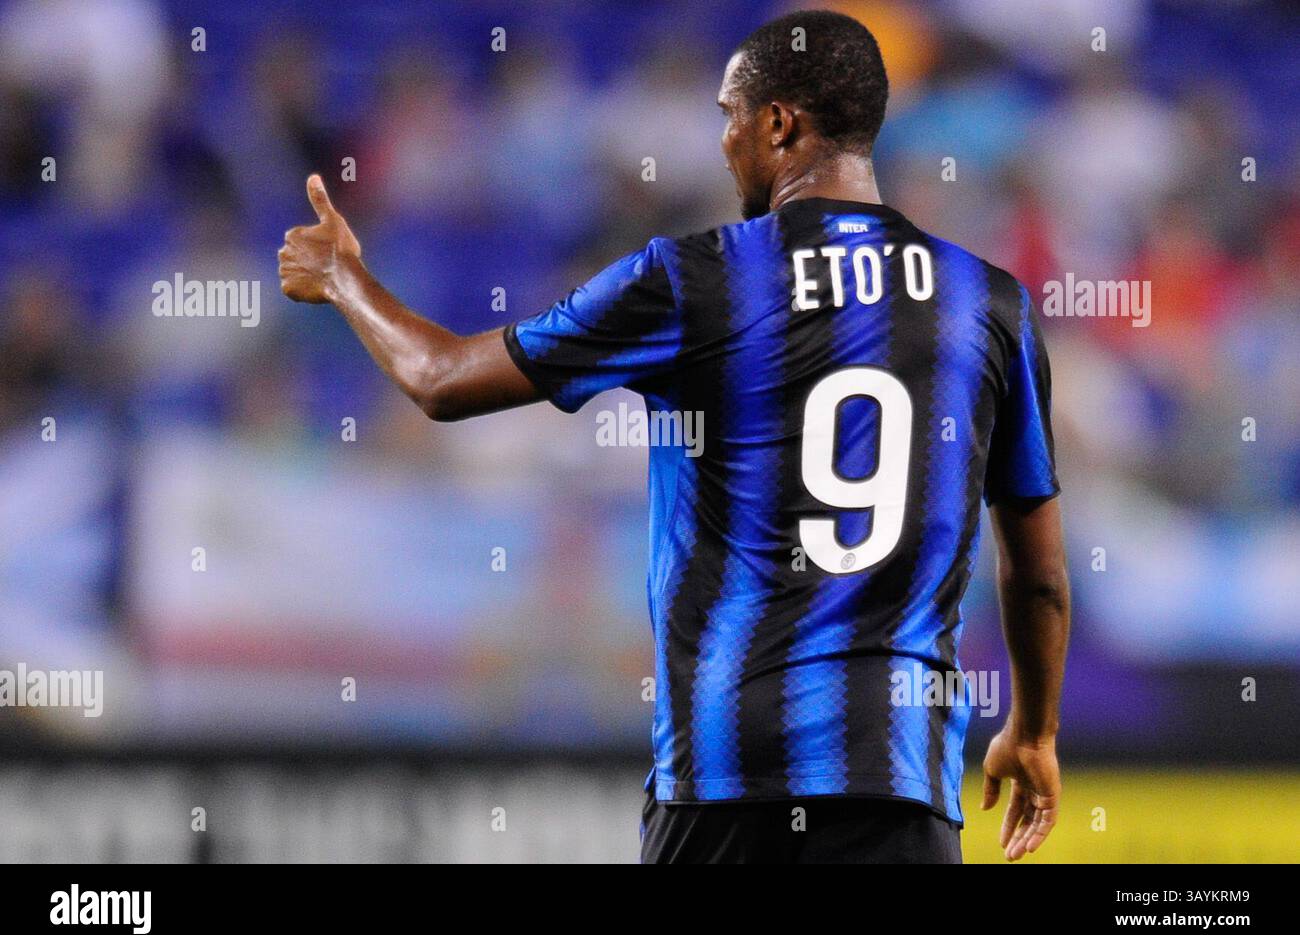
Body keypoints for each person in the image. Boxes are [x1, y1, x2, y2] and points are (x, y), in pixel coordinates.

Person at [278, 9, 1069, 864]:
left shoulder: (694, 279)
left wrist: (342, 278)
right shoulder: (988, 305)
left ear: (779, 122)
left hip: (727, 783)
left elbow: (440, 380)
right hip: (898, 780)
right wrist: (1033, 730)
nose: (725, 144)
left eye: (731, 117)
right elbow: (1040, 575)